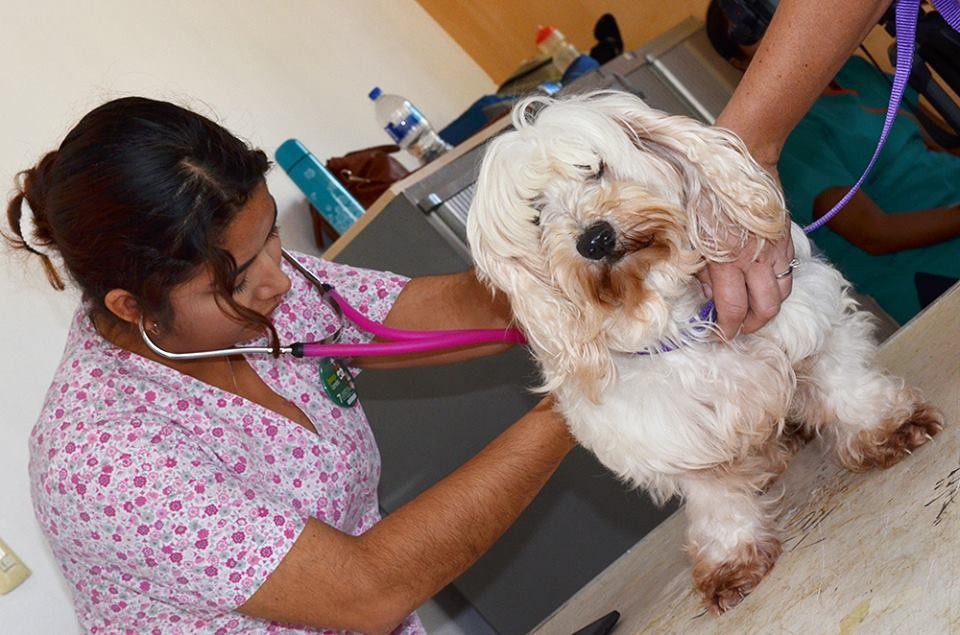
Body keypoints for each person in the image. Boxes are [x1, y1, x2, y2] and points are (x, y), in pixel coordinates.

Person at [6, 96, 577, 634]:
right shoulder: (100, 460)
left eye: (271, 232)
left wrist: (585, 279)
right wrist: (578, 405)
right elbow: (367, 590)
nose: (278, 280)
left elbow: (425, 315)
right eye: (235, 278)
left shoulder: (262, 282)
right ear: (131, 306)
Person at [708, 0, 960, 323]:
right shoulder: (785, 135)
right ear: (737, 59)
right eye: (753, 22)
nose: (774, 21)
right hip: (929, 273)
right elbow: (875, 234)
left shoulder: (856, 72)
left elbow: (934, 148)